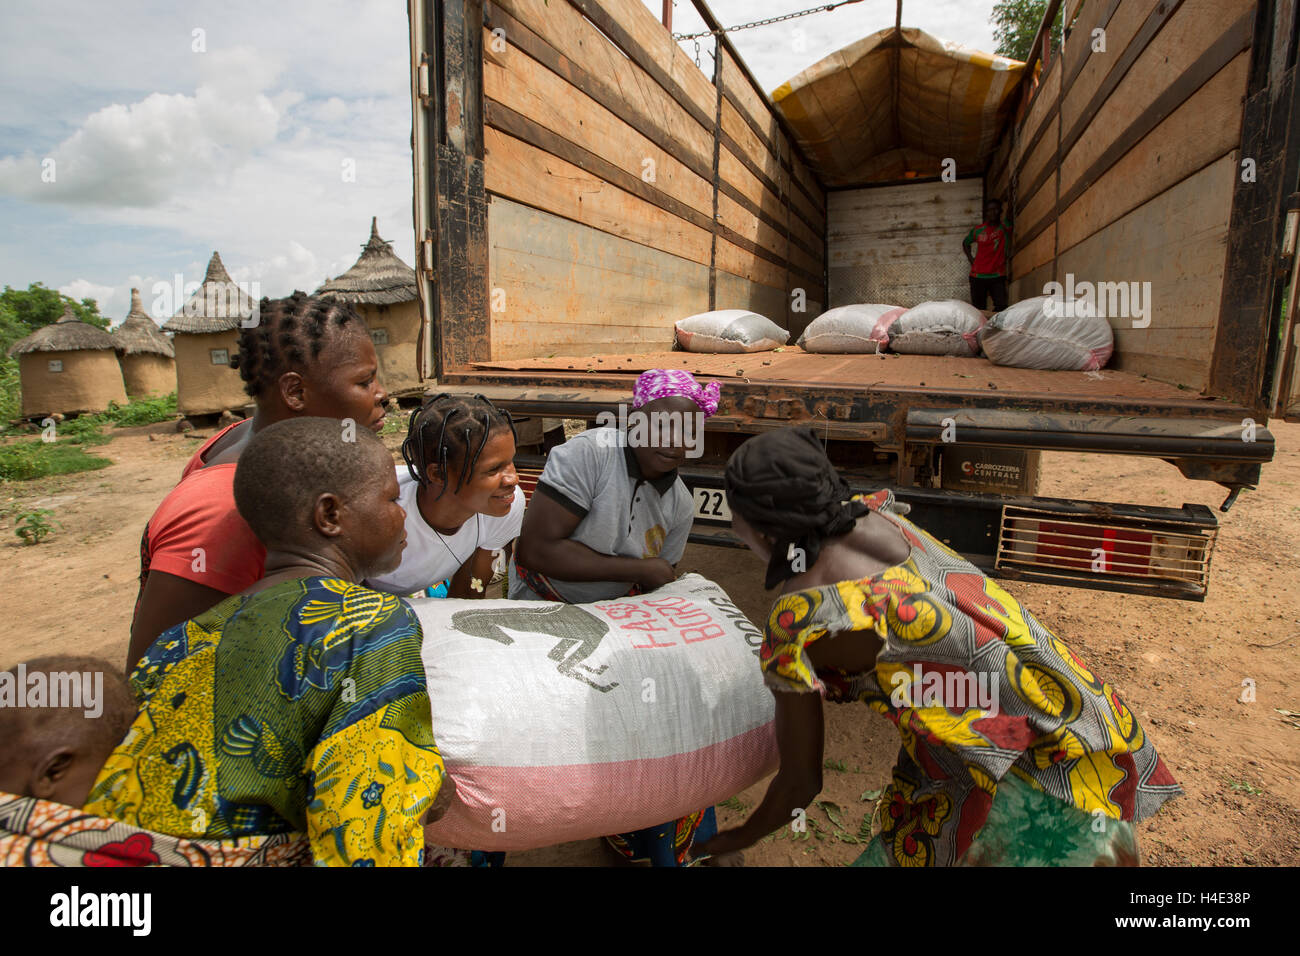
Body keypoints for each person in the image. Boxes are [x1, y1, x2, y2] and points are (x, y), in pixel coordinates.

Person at [696, 426, 1182, 866]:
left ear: (760, 527)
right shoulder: (880, 516)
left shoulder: (798, 619)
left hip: (1023, 809)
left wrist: (730, 838)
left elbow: (802, 784)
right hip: (1085, 744)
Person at [85, 417, 450, 867]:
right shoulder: (368, 621)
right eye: (392, 499)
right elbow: (367, 825)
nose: (402, 513)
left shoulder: (184, 636)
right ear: (330, 515)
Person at [511, 369, 721, 866]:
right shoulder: (588, 456)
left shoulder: (680, 503)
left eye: (688, 432)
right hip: (545, 611)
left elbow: (656, 586)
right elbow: (536, 550)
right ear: (636, 419)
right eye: (662, 426)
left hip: (616, 620)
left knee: (674, 707)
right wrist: (639, 568)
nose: (674, 443)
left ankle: (657, 839)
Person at [126, 292, 390, 672]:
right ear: (295, 392)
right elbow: (152, 667)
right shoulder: (224, 511)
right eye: (364, 381)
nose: (382, 394)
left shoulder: (251, 440)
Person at [367, 394, 523, 600]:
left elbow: (470, 591)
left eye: (511, 461)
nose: (514, 479)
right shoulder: (378, 511)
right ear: (439, 474)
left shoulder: (505, 505)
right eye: (494, 469)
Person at [963, 198, 1012, 312]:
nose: (993, 212)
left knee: (1001, 307)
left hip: (997, 275)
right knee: (979, 310)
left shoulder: (1004, 227)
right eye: (990, 210)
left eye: (995, 209)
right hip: (977, 276)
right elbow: (965, 243)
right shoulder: (978, 230)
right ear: (986, 212)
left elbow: (1010, 213)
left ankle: (996, 329)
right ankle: (982, 330)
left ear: (1000, 211)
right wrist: (972, 260)